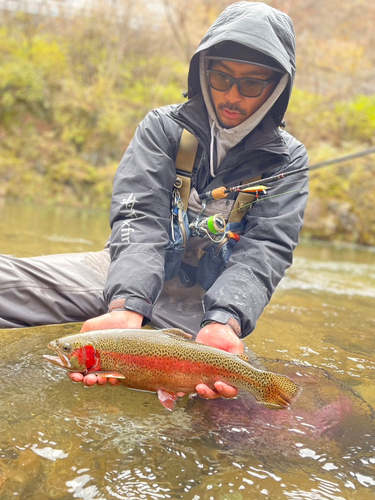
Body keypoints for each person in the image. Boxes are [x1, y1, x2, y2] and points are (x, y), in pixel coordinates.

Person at [0, 2, 308, 400]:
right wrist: (127, 304)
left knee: (243, 413)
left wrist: (226, 319)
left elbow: (265, 249)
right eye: (220, 77)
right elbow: (139, 217)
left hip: (205, 307)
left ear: (276, 87)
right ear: (203, 72)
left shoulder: (287, 160)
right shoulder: (162, 128)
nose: (232, 95)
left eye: (251, 84)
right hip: (127, 271)